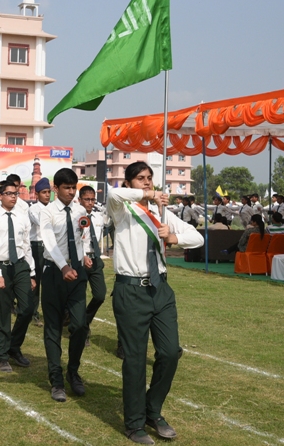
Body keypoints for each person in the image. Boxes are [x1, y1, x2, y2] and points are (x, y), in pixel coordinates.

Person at [106, 161, 204, 444]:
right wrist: (147, 197)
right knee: (135, 360)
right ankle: (135, 423)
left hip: (160, 289)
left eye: (149, 178)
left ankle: (153, 408)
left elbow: (196, 237)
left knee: (170, 352)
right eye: (140, 179)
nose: (147, 182)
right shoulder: (122, 209)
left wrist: (174, 237)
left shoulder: (162, 212)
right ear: (129, 183)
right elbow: (113, 195)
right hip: (131, 290)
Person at [39, 168, 90, 403]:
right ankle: (56, 380)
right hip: (54, 273)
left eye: (74, 188)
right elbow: (49, 242)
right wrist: (62, 267)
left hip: (77, 273)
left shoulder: (80, 210)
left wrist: (86, 254)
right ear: (56, 188)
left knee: (80, 324)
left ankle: (73, 371)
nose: (71, 192)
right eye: (67, 188)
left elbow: (84, 235)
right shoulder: (47, 212)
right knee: (53, 327)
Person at [0, 179, 36, 372]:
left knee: (27, 308)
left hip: (20, 265)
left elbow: (26, 245)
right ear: (0, 195)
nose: (14, 197)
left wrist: (31, 272)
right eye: (10, 194)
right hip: (1, 267)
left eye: (16, 194)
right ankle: (2, 355)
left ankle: (14, 346)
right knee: (3, 312)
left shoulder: (22, 217)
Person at [77, 185, 109, 348]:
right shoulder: (75, 216)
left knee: (100, 295)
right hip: (80, 260)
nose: (90, 203)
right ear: (79, 200)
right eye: (87, 199)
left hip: (95, 259)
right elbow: (75, 240)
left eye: (92, 200)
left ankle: (85, 321)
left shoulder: (97, 217)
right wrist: (82, 255)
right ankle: (82, 330)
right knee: (79, 298)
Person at [28, 177, 51, 326]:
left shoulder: (53, 207)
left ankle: (49, 314)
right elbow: (43, 223)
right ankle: (32, 312)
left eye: (49, 192)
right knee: (36, 281)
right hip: (37, 246)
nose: (47, 195)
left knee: (49, 283)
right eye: (44, 192)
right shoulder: (33, 209)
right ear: (37, 194)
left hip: (50, 246)